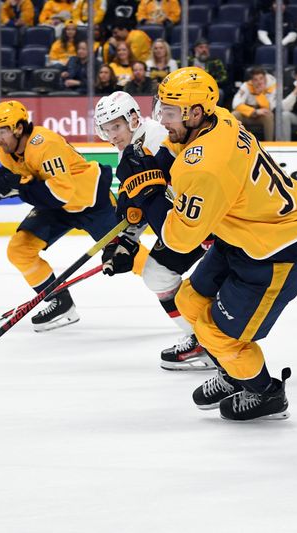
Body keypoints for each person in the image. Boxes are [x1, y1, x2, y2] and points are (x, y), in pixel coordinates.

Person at [116, 67, 297, 420]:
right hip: (244, 236)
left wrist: (147, 191)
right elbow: (175, 152)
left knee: (220, 336)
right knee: (189, 301)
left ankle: (267, 393)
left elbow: (179, 240)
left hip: (277, 253)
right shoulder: (219, 118)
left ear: (195, 113)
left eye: (169, 112)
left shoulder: (206, 166)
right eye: (161, 108)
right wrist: (150, 169)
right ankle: (232, 371)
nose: (161, 120)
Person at [0, 100, 132, 332]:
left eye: (3, 131)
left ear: (18, 128)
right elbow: (19, 174)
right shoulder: (5, 150)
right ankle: (60, 302)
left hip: (90, 201)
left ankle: (173, 288)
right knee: (19, 250)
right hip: (56, 204)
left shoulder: (44, 143)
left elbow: (59, 194)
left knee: (127, 254)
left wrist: (16, 188)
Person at [94, 90, 215, 370]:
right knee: (157, 275)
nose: (112, 135)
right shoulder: (129, 152)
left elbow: (168, 189)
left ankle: (215, 341)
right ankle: (200, 339)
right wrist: (123, 243)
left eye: (116, 126)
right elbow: (137, 206)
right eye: (106, 130)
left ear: (133, 119)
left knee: (209, 282)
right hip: (181, 222)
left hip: (207, 220)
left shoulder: (161, 137)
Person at [232, 67, 277, 141]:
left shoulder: (272, 87)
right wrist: (254, 111)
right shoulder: (246, 86)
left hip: (262, 116)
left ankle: (269, 143)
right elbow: (235, 104)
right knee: (234, 114)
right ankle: (233, 143)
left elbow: (270, 108)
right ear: (251, 81)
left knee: (269, 115)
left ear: (265, 78)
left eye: (261, 78)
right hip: (247, 114)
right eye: (255, 79)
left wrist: (260, 94)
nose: (259, 82)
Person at [189, 38, 228, 105]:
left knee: (220, 92)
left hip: (209, 88)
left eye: (206, 47)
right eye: (201, 47)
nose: (204, 50)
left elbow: (223, 77)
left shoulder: (215, 62)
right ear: (195, 49)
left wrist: (209, 81)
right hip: (190, 87)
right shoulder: (189, 61)